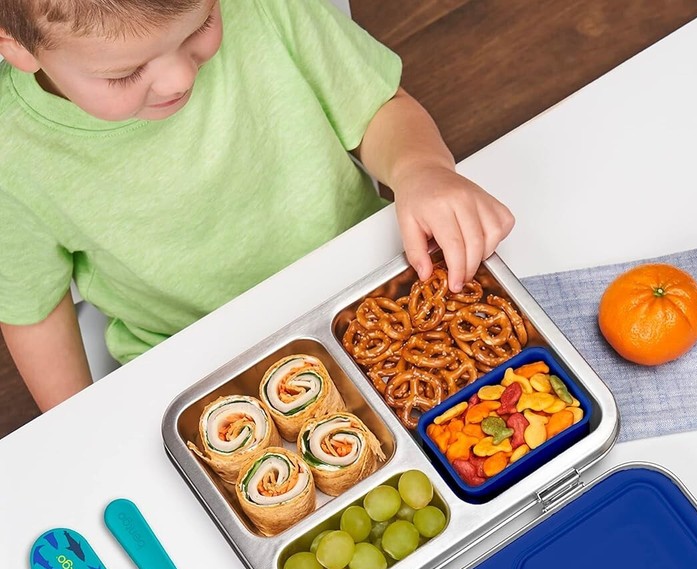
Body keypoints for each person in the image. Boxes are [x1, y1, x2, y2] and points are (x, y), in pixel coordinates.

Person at [0, 0, 515, 411]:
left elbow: (378, 108)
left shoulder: (263, 7)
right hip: (197, 368)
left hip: (372, 288)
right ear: (17, 46)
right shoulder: (11, 155)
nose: (180, 78)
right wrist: (76, 422)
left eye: (203, 22)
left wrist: (421, 169)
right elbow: (33, 310)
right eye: (125, 73)